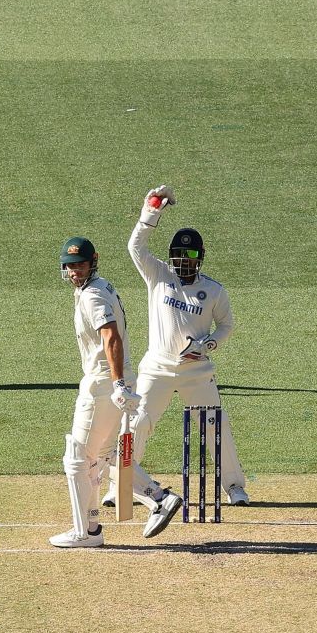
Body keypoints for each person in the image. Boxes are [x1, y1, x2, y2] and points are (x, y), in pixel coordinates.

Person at [106, 184, 248, 511]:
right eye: (180, 256)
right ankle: (122, 486)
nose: (185, 261)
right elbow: (135, 246)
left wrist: (209, 343)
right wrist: (151, 211)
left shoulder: (213, 290)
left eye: (192, 256)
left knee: (216, 426)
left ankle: (235, 486)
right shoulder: (157, 274)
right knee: (136, 422)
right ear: (171, 258)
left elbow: (226, 324)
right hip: (156, 367)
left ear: (201, 258)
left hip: (196, 372)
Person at [52, 237, 183, 548]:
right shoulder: (97, 287)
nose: (74, 271)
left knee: (78, 458)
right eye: (70, 266)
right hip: (111, 382)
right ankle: (159, 498)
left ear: (92, 261)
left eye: (80, 265)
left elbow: (110, 336)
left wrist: (118, 383)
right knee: (106, 454)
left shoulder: (93, 295)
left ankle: (85, 532)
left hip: (102, 384)